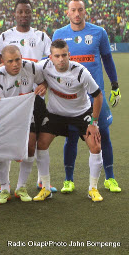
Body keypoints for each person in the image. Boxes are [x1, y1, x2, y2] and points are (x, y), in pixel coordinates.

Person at [52, 0, 121, 193]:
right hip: (72, 98)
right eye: (73, 10)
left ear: (85, 12)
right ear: (67, 12)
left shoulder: (99, 32)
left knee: (104, 136)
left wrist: (115, 84)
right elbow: (51, 62)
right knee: (71, 137)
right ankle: (68, 180)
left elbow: (107, 59)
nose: (76, 14)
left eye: (80, 10)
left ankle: (110, 178)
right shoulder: (59, 34)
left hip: (96, 95)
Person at [0, 0, 57, 193]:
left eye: (27, 11)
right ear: (15, 14)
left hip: (33, 99)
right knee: (4, 143)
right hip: (12, 101)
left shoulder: (41, 37)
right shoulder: (5, 36)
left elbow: (50, 67)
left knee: (37, 142)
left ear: (32, 13)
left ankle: (41, 181)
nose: (24, 15)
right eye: (20, 11)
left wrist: (45, 84)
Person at [35, 39, 104, 202]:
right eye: (57, 56)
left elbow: (98, 96)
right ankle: (45, 187)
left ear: (69, 55)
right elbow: (25, 66)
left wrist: (94, 123)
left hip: (81, 113)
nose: (61, 59)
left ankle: (93, 189)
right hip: (55, 113)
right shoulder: (44, 66)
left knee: (95, 145)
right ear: (50, 57)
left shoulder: (81, 72)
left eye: (64, 55)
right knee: (41, 144)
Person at [0, 45, 47, 204]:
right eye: (10, 61)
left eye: (18, 59)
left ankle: (21, 187)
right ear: (3, 62)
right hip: (6, 117)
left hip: (27, 115)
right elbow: (1, 106)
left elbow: (44, 80)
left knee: (30, 146)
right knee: (2, 150)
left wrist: (44, 86)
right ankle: (5, 188)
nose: (15, 64)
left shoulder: (31, 68)